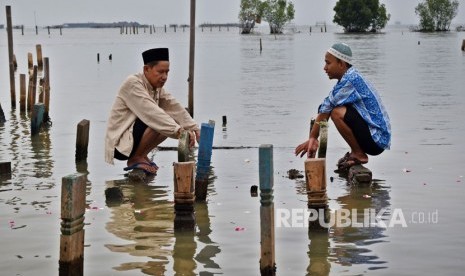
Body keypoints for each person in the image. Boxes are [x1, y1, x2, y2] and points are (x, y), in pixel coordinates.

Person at [295, 42, 391, 170]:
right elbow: (326, 106)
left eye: (328, 63)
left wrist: (313, 137)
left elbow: (326, 108)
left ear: (341, 64)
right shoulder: (349, 77)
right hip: (378, 138)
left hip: (377, 140)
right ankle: (355, 151)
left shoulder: (350, 80)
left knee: (336, 112)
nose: (324, 68)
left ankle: (359, 154)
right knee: (335, 110)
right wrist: (315, 136)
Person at [105, 47, 200, 174]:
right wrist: (179, 131)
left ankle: (142, 155)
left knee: (169, 119)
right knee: (162, 120)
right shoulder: (133, 83)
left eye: (167, 72)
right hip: (120, 144)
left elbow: (174, 106)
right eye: (160, 72)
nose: (165, 77)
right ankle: (135, 158)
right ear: (146, 69)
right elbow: (152, 113)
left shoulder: (156, 88)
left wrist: (194, 128)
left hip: (133, 138)